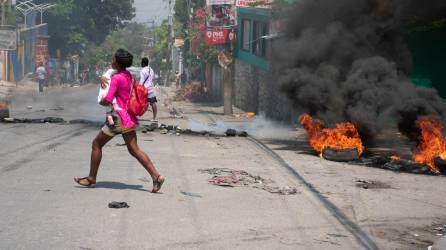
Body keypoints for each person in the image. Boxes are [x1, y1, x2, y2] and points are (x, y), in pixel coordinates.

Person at [74, 49, 165, 193]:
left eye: (113, 59)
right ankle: (156, 176)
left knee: (96, 144)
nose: (111, 61)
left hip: (117, 118)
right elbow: (108, 75)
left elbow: (108, 99)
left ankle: (91, 178)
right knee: (134, 149)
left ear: (117, 62)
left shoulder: (116, 79)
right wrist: (101, 79)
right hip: (128, 117)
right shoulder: (128, 76)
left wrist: (101, 100)